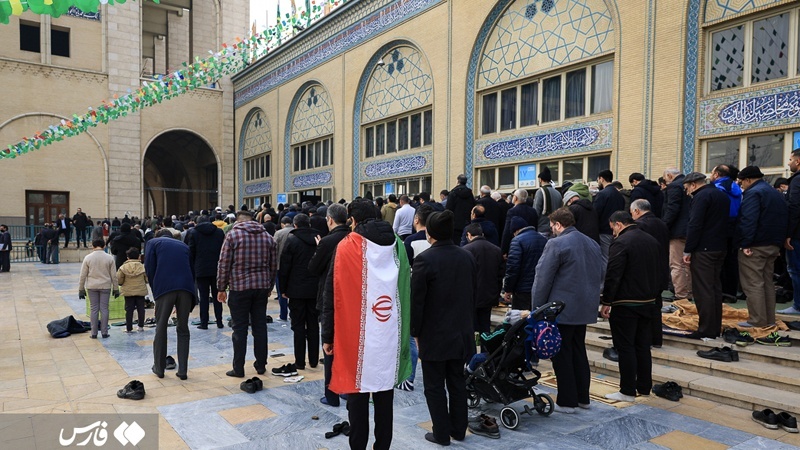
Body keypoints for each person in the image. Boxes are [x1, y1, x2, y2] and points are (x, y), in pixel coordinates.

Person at [322, 200, 411, 450]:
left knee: (357, 396)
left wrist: (328, 335)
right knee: (384, 396)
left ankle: (358, 445)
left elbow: (332, 293)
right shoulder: (398, 245)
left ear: (352, 220)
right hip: (389, 332)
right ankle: (383, 445)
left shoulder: (347, 246)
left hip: (356, 334)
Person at [411, 210, 476, 445]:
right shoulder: (466, 256)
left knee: (434, 386)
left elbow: (417, 302)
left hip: (435, 333)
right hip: (460, 331)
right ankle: (458, 429)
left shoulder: (425, 260)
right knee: (457, 382)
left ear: (430, 233)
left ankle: (441, 433)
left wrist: (415, 332)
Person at [532, 208, 605, 413]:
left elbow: (542, 279)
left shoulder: (556, 243)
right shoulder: (592, 243)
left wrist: (537, 308)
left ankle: (567, 401)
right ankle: (583, 398)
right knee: (578, 351)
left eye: (552, 226)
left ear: (558, 224)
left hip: (561, 308)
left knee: (562, 354)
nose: (552, 230)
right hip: (585, 307)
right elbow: (600, 274)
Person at [601, 211, 661, 402]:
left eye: (613, 228)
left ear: (618, 224)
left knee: (625, 347)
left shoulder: (621, 242)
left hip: (626, 302)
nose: (612, 233)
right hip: (649, 301)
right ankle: (644, 387)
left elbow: (613, 273)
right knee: (642, 346)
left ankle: (627, 391)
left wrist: (606, 301)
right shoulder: (652, 240)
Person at [217, 210, 276, 378]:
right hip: (261, 287)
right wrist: (269, 286)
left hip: (239, 287)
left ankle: (238, 368)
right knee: (260, 327)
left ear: (238, 221)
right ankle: (261, 365)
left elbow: (224, 263)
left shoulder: (233, 236)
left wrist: (221, 288)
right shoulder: (267, 237)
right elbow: (273, 265)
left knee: (239, 328)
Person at [308, 204, 350, 407]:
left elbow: (313, 268)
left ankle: (331, 394)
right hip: (350, 298)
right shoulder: (353, 238)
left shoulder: (327, 241)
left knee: (330, 346)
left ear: (330, 220)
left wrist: (319, 249)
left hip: (330, 297)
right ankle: (347, 390)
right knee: (346, 346)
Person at [736, 166, 787, 330]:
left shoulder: (753, 193)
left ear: (748, 180)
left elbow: (749, 219)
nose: (741, 186)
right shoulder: (775, 193)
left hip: (755, 245)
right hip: (773, 245)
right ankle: (769, 319)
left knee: (753, 283)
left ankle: (757, 320)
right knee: (767, 283)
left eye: (741, 182)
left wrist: (745, 243)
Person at [682, 172, 730, 339]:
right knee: (715, 288)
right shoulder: (721, 195)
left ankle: (706, 330)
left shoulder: (701, 197)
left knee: (703, 290)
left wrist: (688, 249)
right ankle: (714, 328)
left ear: (693, 185)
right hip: (720, 247)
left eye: (687, 188)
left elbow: (695, 224)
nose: (687, 192)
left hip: (703, 249)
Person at [146, 229, 196, 380]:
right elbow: (192, 270)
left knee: (161, 327)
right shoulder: (183, 246)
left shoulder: (152, 243)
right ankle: (183, 371)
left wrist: (156, 292)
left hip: (165, 288)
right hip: (186, 288)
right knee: (183, 328)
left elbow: (149, 268)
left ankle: (159, 368)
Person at [278, 214, 321, 373]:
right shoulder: (318, 239)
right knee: (313, 324)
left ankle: (300, 361)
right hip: (314, 288)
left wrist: (283, 289)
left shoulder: (292, 240)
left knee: (298, 327)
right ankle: (314, 360)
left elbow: (285, 267)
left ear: (295, 225)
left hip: (296, 289)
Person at [630, 199, 670, 347]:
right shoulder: (661, 223)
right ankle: (656, 339)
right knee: (656, 306)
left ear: (636, 211)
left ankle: (645, 340)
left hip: (645, 272)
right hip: (660, 270)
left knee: (644, 308)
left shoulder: (639, 225)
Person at [464, 223, 504, 336]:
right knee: (485, 327)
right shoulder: (496, 250)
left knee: (471, 328)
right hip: (489, 295)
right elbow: (500, 275)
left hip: (471, 296)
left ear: (469, 235)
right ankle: (485, 345)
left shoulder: (466, 250)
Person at [710, 164, 742, 303]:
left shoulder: (716, 189)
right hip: (734, 226)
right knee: (731, 260)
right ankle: (731, 292)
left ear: (717, 174)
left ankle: (721, 292)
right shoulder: (736, 188)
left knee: (719, 260)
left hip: (720, 226)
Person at [187, 215, 226, 329]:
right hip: (217, 268)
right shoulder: (219, 232)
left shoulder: (194, 233)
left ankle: (204, 323)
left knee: (203, 297)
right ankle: (219, 321)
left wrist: (193, 267)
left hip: (201, 269)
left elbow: (191, 252)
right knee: (217, 296)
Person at [503, 216, 546, 311]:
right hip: (539, 286)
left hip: (522, 289)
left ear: (516, 230)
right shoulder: (543, 239)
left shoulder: (517, 240)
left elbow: (513, 267)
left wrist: (508, 289)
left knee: (520, 317)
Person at [662, 167, 693, 300]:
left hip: (677, 231)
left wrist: (664, 225)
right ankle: (689, 292)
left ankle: (681, 294)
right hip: (690, 229)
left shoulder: (674, 186)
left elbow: (672, 208)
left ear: (669, 175)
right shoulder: (688, 184)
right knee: (687, 264)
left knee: (676, 264)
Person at [79, 239, 119, 339]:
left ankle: (94, 333)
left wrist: (81, 289)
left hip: (92, 286)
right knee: (104, 309)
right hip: (105, 286)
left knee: (94, 309)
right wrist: (115, 288)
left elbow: (82, 275)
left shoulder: (88, 258)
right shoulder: (109, 258)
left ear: (93, 246)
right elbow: (114, 275)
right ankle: (104, 332)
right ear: (104, 246)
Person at [782, 149, 800, 316]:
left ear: (798, 161)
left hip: (797, 234)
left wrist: (788, 234)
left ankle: (798, 305)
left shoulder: (797, 180)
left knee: (795, 270)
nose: (788, 163)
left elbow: (794, 207)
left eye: (790, 160)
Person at [594, 170, 626, 255]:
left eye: (598, 179)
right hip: (618, 230)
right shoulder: (619, 195)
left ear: (601, 179)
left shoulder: (602, 194)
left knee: (605, 256)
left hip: (604, 230)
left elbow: (596, 212)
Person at [117, 247, 148, 333]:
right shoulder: (142, 267)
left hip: (128, 292)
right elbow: (147, 279)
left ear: (128, 257)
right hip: (140, 291)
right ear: (138, 256)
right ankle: (140, 326)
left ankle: (129, 328)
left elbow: (119, 280)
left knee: (129, 310)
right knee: (141, 309)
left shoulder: (123, 267)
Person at [500, 189, 539, 256]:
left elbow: (507, 231)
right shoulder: (533, 211)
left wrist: (504, 250)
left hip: (516, 243)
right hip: (531, 242)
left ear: (515, 198)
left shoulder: (512, 211)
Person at [273, 216, 294, 321]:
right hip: (294, 266)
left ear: (282, 224)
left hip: (280, 265)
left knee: (281, 291)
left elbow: (274, 249)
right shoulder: (295, 232)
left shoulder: (278, 233)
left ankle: (283, 314)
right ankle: (293, 313)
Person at [446, 174, 477, 244]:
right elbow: (473, 206)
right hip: (467, 222)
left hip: (455, 224)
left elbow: (448, 209)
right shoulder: (470, 194)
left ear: (458, 181)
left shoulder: (453, 193)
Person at [533, 166, 563, 236]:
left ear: (540, 179)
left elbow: (536, 211)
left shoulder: (540, 192)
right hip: (555, 228)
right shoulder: (558, 193)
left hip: (542, 228)